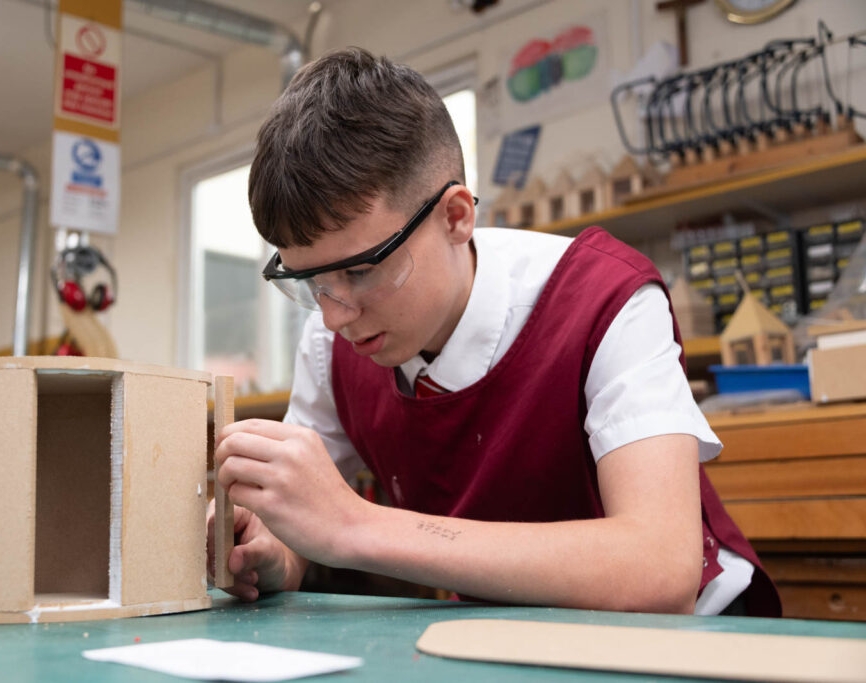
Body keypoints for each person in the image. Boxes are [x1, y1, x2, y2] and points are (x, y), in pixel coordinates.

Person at [208, 47, 780, 616]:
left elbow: (660, 569)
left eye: (361, 270)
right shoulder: (332, 340)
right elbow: (309, 521)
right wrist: (272, 552)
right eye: (310, 281)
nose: (334, 315)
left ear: (456, 216)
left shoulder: (605, 301)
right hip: (507, 636)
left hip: (692, 639)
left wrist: (356, 525)